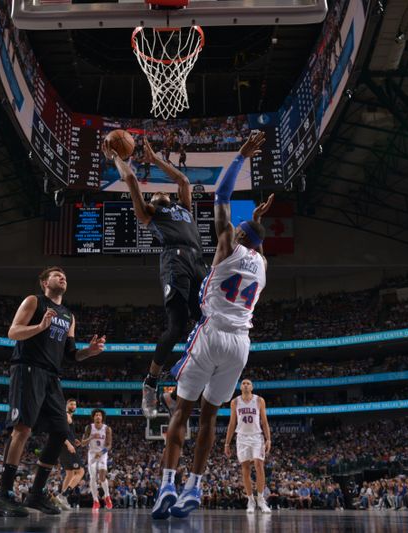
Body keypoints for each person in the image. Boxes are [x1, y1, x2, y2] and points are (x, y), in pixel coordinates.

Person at [150, 132, 270, 520]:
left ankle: (167, 482)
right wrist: (257, 222)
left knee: (181, 410)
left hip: (213, 332)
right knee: (211, 415)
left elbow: (220, 195)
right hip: (242, 345)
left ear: (239, 237)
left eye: (238, 230)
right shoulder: (262, 265)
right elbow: (257, 241)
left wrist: (240, 157)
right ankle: (193, 489)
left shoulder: (226, 247)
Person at [104, 138, 208, 419]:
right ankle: (150, 382)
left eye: (164, 192)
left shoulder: (184, 208)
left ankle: (175, 391)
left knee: (208, 324)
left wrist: (156, 160)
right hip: (174, 259)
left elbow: (184, 180)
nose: (160, 193)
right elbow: (131, 180)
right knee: (176, 327)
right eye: (154, 195)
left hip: (199, 260)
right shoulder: (150, 213)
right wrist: (115, 156)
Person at [0, 267, 106, 517]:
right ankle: (5, 494)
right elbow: (13, 331)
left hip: (53, 376)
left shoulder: (69, 316)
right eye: (56, 275)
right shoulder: (35, 301)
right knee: (22, 429)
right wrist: (41, 326)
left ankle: (36, 493)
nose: (63, 277)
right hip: (28, 369)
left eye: (65, 275)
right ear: (44, 282)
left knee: (60, 430)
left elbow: (71, 354)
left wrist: (90, 351)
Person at [224, 379, 271, 513]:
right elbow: (232, 423)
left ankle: (261, 499)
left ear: (252, 387)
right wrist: (227, 443)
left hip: (257, 436)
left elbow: (264, 421)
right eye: (243, 383)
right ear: (240, 387)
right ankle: (250, 500)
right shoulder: (235, 402)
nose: (245, 385)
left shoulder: (259, 400)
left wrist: (269, 439)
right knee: (245, 468)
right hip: (242, 437)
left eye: (248, 383)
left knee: (259, 465)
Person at [81, 409, 113, 510]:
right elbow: (83, 443)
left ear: (102, 417)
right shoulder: (89, 427)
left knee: (102, 477)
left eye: (99, 415)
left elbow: (109, 445)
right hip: (92, 454)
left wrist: (102, 452)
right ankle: (95, 501)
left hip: (102, 454)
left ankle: (107, 496)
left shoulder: (107, 428)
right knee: (93, 477)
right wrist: (90, 437)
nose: (98, 416)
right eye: (96, 415)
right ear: (93, 417)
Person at [56, 398, 84, 510]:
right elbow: (60, 431)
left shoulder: (68, 416)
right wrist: (68, 444)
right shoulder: (66, 415)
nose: (73, 406)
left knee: (70, 474)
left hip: (64, 446)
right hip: (66, 446)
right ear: (66, 405)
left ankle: (62, 501)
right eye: (71, 404)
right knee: (81, 471)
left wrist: (74, 439)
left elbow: (68, 432)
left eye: (75, 404)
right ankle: (63, 495)